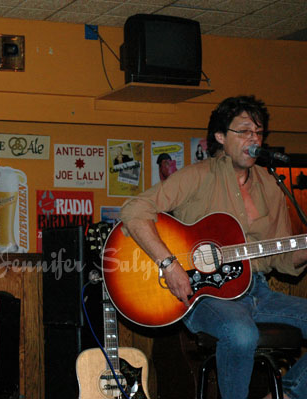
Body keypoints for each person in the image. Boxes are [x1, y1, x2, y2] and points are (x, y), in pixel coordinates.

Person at [120, 95, 307, 399]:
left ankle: (285, 395)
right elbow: (133, 211)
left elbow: (283, 259)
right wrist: (169, 265)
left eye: (258, 132)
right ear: (221, 137)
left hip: (258, 290)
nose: (253, 138)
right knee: (241, 333)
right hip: (204, 296)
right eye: (244, 131)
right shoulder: (198, 177)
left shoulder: (272, 186)